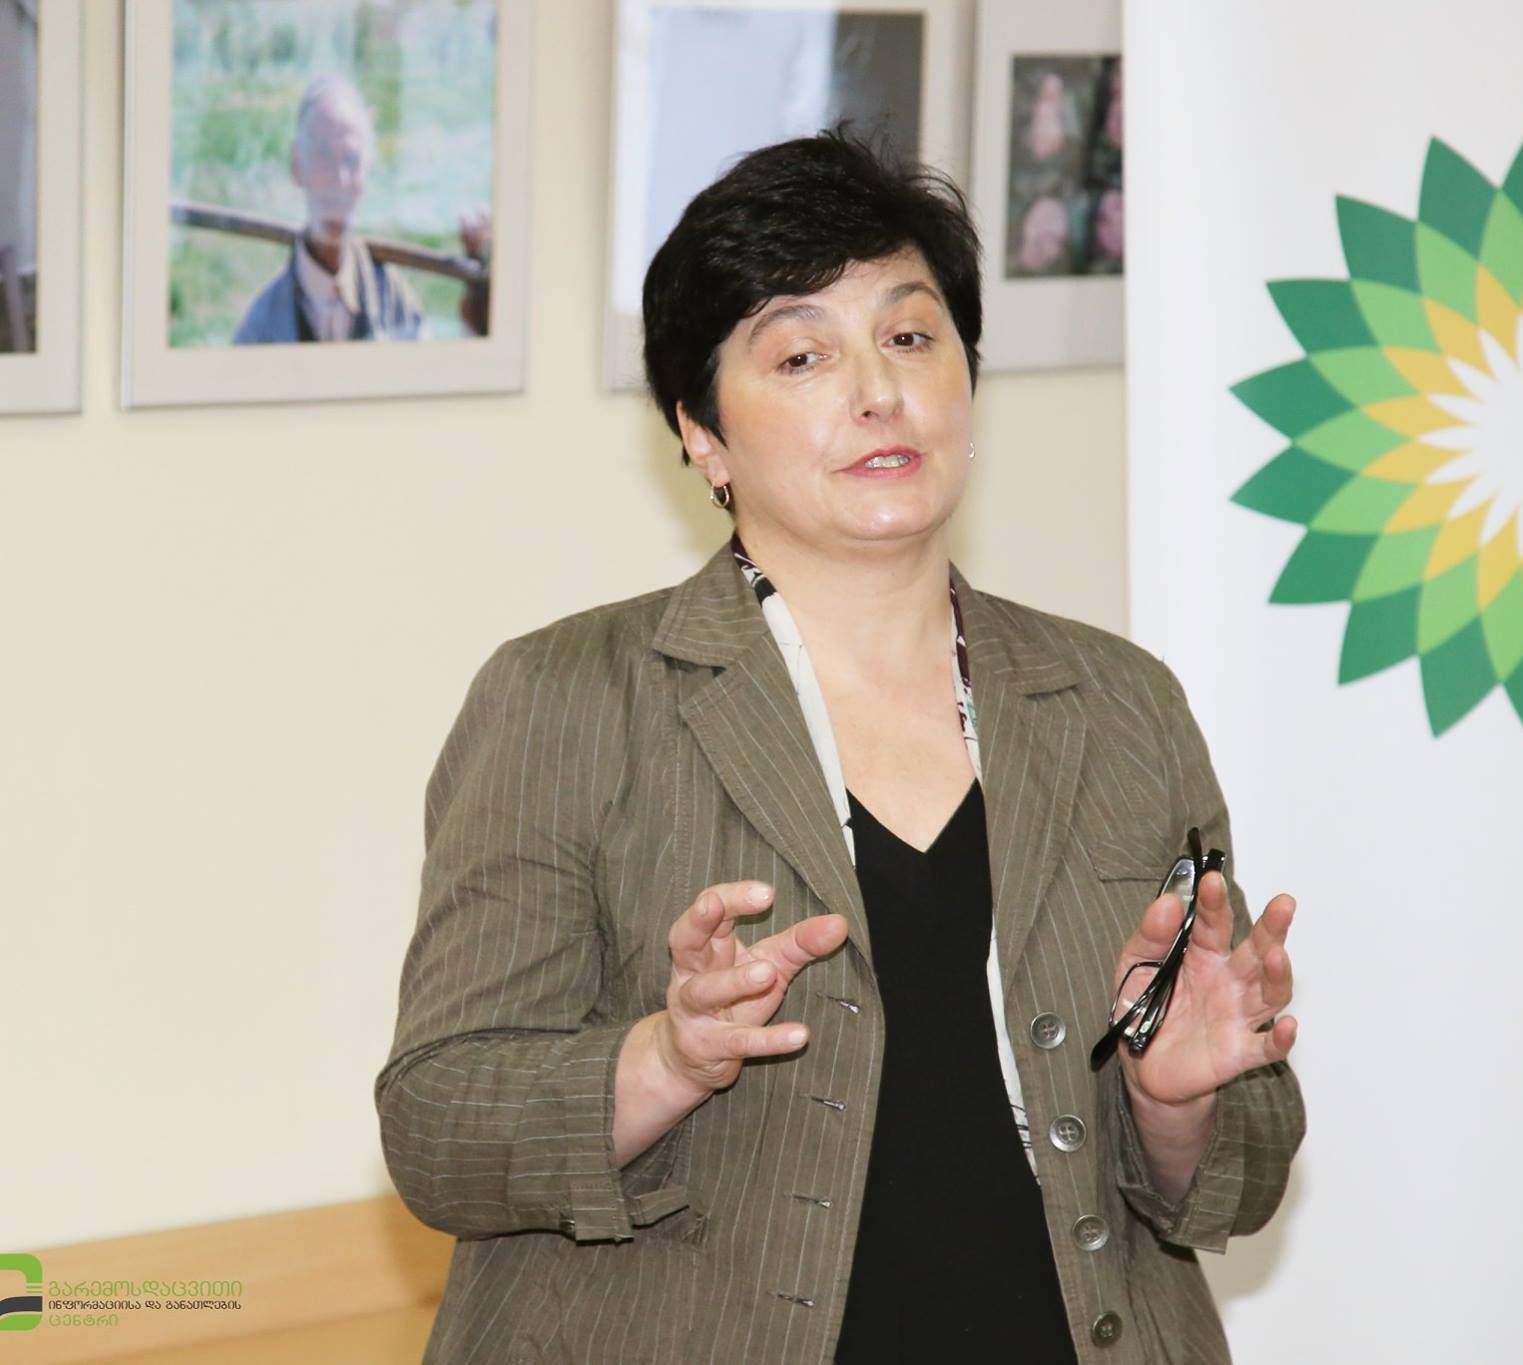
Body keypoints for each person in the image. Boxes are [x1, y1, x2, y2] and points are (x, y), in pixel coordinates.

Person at [375, 126, 1306, 1364]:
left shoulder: (1117, 702)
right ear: (701, 434)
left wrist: (1169, 1093)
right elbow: (437, 1128)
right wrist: (663, 1059)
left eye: (910, 337)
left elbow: (1240, 1175)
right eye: (802, 355)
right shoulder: (567, 699)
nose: (877, 391)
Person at [232, 74, 426, 345]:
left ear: (366, 174)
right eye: (323, 155)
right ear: (297, 166)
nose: (339, 179)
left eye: (351, 159)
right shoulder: (262, 327)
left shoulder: (395, 303)